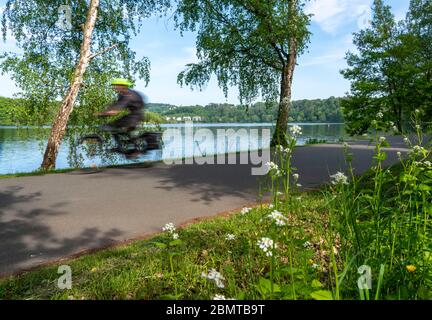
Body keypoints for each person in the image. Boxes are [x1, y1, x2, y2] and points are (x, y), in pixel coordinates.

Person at [98, 78, 146, 157]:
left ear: (122, 86)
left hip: (134, 117)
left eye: (116, 86)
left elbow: (116, 110)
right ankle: (132, 149)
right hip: (137, 116)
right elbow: (115, 105)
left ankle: (123, 147)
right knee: (126, 132)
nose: (115, 87)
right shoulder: (127, 93)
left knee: (111, 126)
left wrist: (102, 114)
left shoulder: (127, 95)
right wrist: (106, 110)